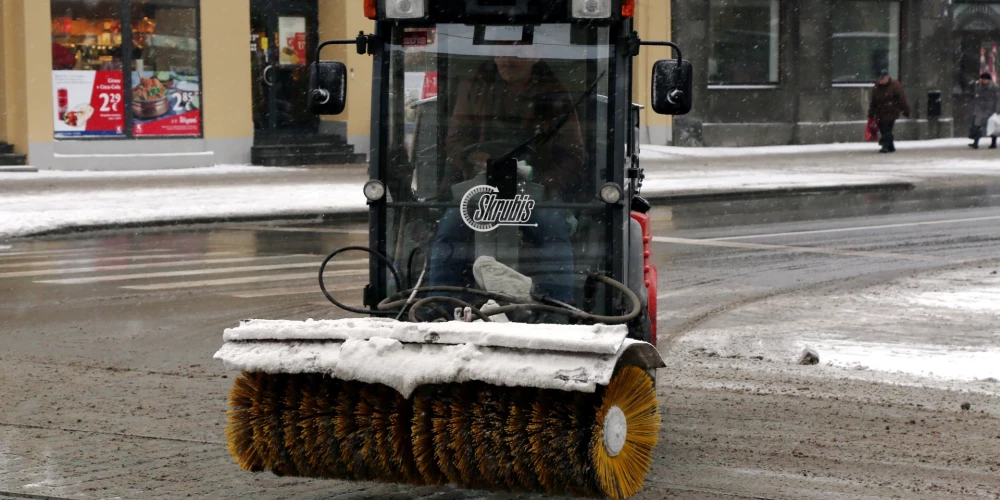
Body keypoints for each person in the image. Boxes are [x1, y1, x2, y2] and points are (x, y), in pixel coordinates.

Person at [429, 43, 587, 307]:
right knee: (449, 232)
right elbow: (455, 140)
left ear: (535, 56)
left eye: (517, 53)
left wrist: (546, 182)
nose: (507, 59)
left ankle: (558, 310)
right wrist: (479, 160)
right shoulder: (476, 87)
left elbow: (574, 152)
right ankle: (440, 306)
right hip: (480, 188)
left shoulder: (554, 93)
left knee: (553, 233)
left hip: (535, 189)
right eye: (501, 52)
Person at [867, 69, 911, 154]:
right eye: (880, 79)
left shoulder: (895, 85)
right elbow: (873, 101)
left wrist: (905, 110)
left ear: (887, 77)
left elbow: (902, 99)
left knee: (886, 128)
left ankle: (885, 146)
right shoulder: (876, 87)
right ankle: (890, 145)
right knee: (883, 129)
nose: (881, 81)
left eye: (883, 78)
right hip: (880, 112)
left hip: (891, 111)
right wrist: (871, 113)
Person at [970, 72, 1000, 150]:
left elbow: (998, 99)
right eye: (983, 79)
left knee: (991, 126)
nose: (984, 81)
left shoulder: (994, 87)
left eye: (985, 79)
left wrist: (997, 110)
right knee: (977, 126)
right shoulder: (980, 87)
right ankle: (975, 143)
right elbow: (977, 98)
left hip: (991, 109)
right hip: (981, 109)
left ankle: (993, 143)